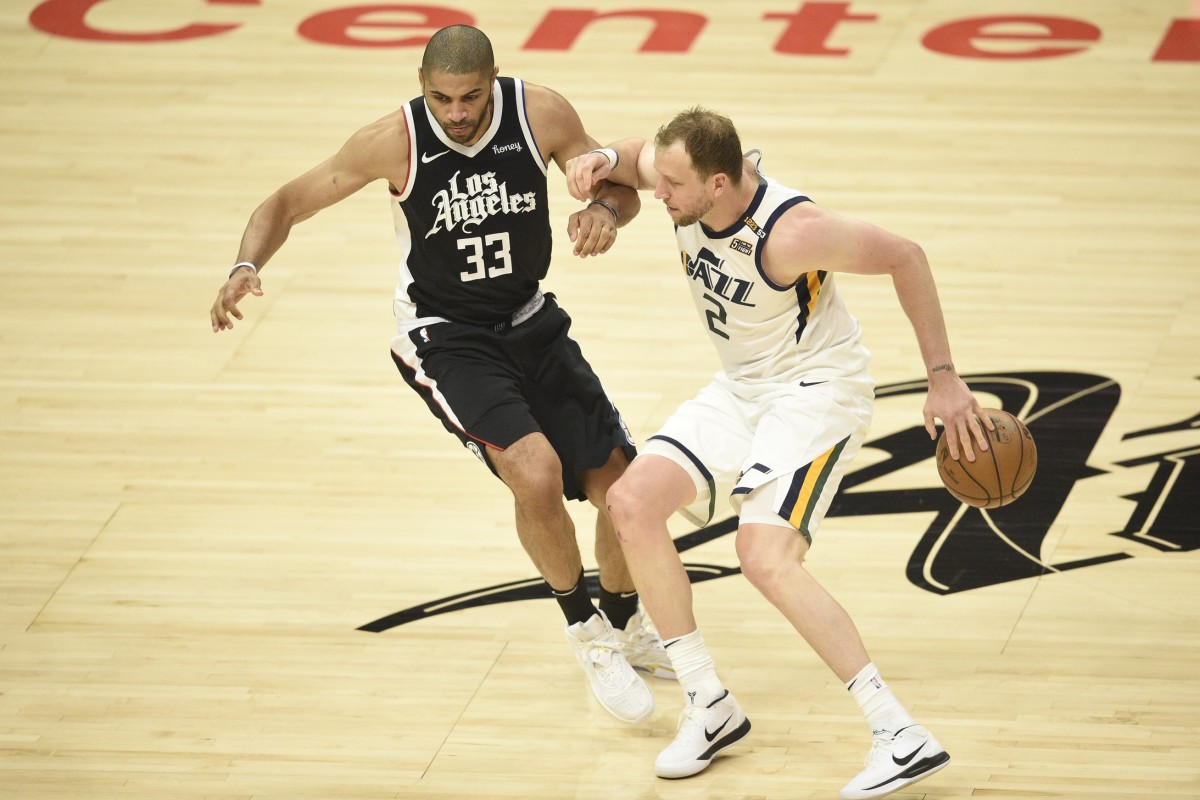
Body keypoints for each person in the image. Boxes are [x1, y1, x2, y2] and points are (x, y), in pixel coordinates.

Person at [209, 24, 675, 725]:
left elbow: (618, 186)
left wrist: (605, 210)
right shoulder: (391, 140)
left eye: (470, 96)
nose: (456, 112)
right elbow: (286, 203)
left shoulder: (541, 113)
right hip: (446, 338)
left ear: (495, 80)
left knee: (622, 489)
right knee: (536, 472)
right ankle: (586, 632)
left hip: (531, 318)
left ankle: (626, 625)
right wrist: (246, 266)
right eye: (441, 97)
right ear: (420, 80)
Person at [566, 108, 992, 798]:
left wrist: (944, 379)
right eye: (660, 181)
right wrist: (604, 163)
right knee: (630, 503)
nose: (659, 194)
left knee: (764, 556)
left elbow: (906, 255)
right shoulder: (682, 177)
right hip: (742, 389)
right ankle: (709, 706)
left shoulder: (793, 233)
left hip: (815, 392)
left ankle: (898, 733)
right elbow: (639, 154)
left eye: (673, 186)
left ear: (720, 185)